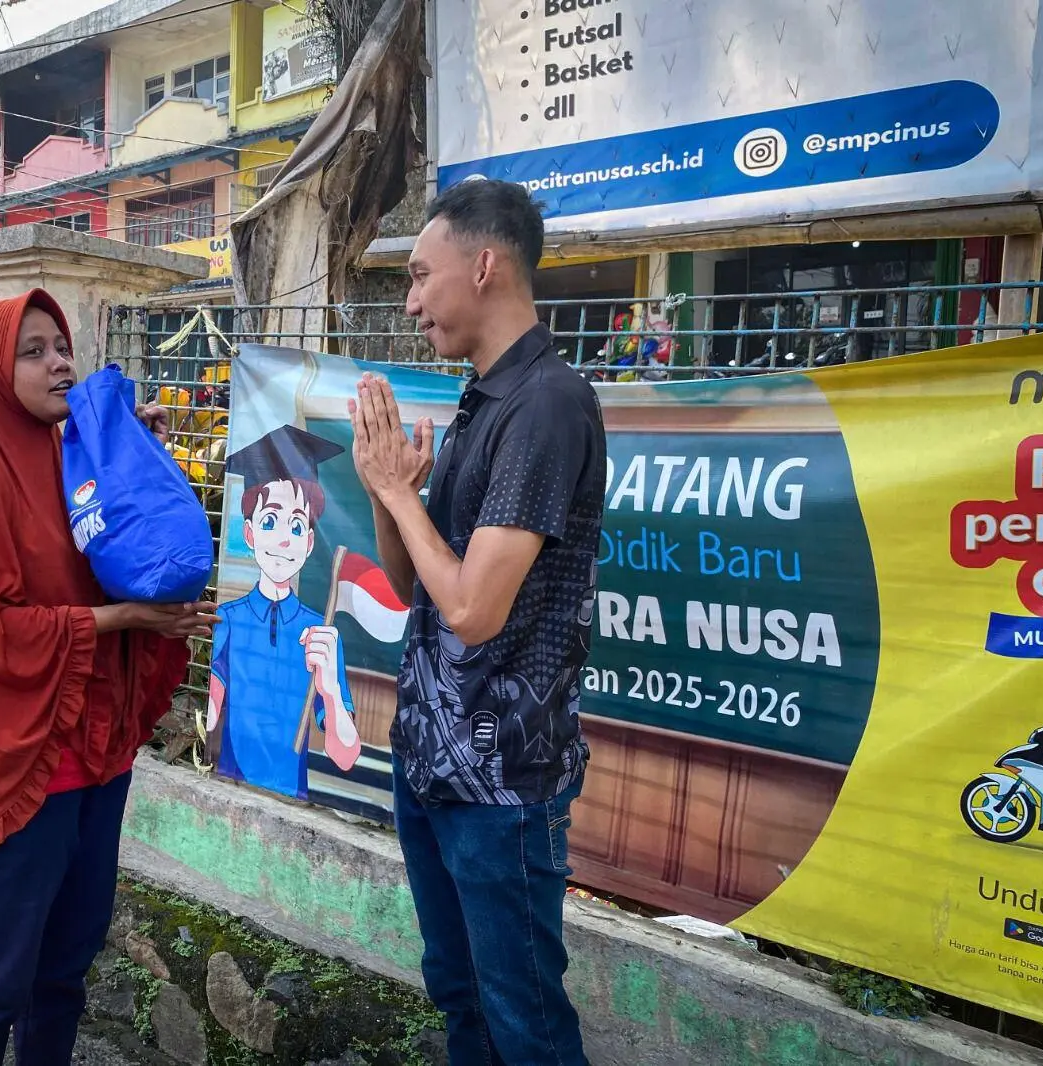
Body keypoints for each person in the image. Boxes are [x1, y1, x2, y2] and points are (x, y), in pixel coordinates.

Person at [0, 289, 218, 1066]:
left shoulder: (68, 455)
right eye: (34, 350)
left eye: (62, 346)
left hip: (93, 756)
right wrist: (123, 623)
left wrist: (129, 457)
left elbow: (109, 556)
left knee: (64, 974)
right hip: (18, 768)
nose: (60, 363)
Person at [350, 178, 606, 1066]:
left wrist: (393, 490)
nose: (413, 302)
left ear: (485, 264)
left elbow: (473, 609)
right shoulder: (484, 399)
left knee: (523, 1020)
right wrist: (393, 497)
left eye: (422, 276)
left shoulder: (547, 404)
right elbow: (411, 579)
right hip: (432, 762)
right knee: (460, 997)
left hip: (503, 783)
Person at [208, 425, 363, 799]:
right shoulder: (227, 618)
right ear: (249, 535)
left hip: (294, 798)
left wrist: (328, 690)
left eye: (296, 526)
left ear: (309, 543)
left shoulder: (321, 633)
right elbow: (210, 715)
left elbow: (345, 756)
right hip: (229, 785)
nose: (282, 539)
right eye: (269, 521)